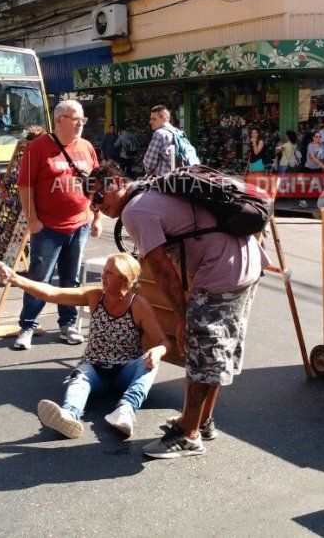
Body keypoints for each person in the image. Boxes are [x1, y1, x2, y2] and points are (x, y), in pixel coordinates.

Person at [84, 162, 270, 459]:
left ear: (116, 181)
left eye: (98, 198)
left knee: (200, 350)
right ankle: (201, 421)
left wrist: (183, 318)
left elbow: (163, 271)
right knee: (215, 350)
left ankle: (188, 434)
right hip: (246, 261)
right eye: (91, 203)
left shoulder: (134, 210)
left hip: (223, 270)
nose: (97, 207)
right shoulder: (154, 187)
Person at [0, 253, 169, 439]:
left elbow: (163, 342)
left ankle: (126, 410)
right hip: (94, 368)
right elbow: (51, 293)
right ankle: (69, 415)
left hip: (124, 370)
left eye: (108, 273)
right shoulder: (95, 295)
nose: (102, 276)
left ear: (124, 279)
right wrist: (15, 278)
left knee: (149, 364)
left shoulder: (138, 305)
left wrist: (158, 351)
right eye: (104, 271)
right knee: (79, 378)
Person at [14, 99, 102, 350]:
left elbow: (95, 185)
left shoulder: (86, 147)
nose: (81, 125)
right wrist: (33, 220)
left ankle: (68, 324)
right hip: (48, 227)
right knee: (39, 279)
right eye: (76, 120)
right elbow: (25, 186)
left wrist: (95, 216)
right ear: (60, 120)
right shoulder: (38, 148)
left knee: (71, 279)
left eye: (83, 120)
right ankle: (28, 325)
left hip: (80, 225)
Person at [143, 105, 189, 177]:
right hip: (179, 179)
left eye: (153, 119)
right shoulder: (178, 132)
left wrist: (149, 173)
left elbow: (149, 162)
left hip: (164, 181)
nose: (150, 122)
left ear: (164, 119)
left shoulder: (159, 133)